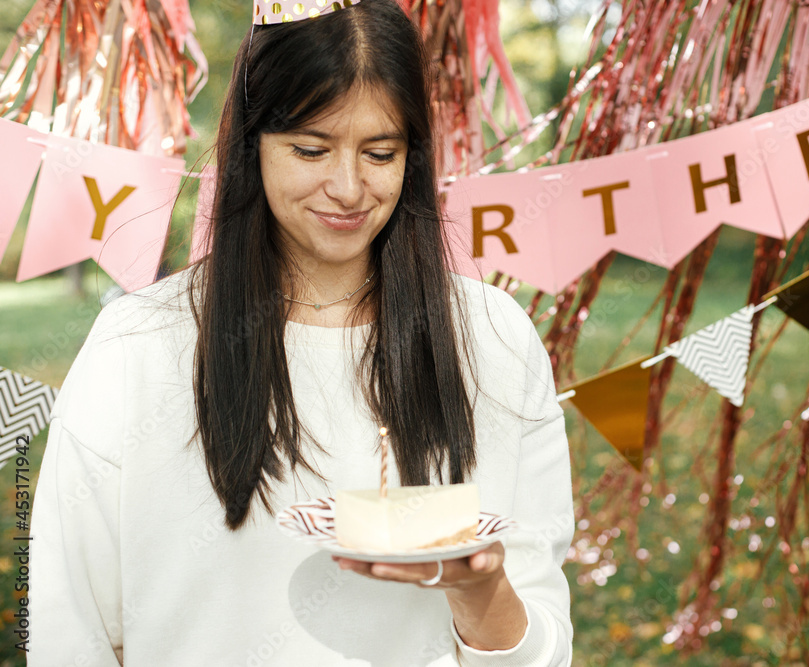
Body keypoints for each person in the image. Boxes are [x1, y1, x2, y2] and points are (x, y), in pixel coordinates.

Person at [27, 0, 574, 664]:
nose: (348, 187)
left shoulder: (492, 341)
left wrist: (480, 591)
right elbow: (70, 631)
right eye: (311, 148)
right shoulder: (138, 348)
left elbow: (542, 645)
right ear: (250, 143)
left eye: (380, 152)